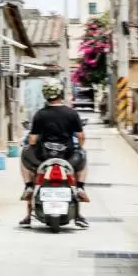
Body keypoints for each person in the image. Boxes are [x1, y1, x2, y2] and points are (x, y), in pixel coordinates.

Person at [19, 79, 90, 228]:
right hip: (68, 158)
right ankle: (80, 189)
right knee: (82, 161)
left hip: (43, 158)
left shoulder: (40, 114)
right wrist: (79, 148)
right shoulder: (72, 113)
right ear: (61, 94)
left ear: (46, 95)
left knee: (26, 159)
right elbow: (81, 137)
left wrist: (36, 145)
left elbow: (32, 140)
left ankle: (28, 189)